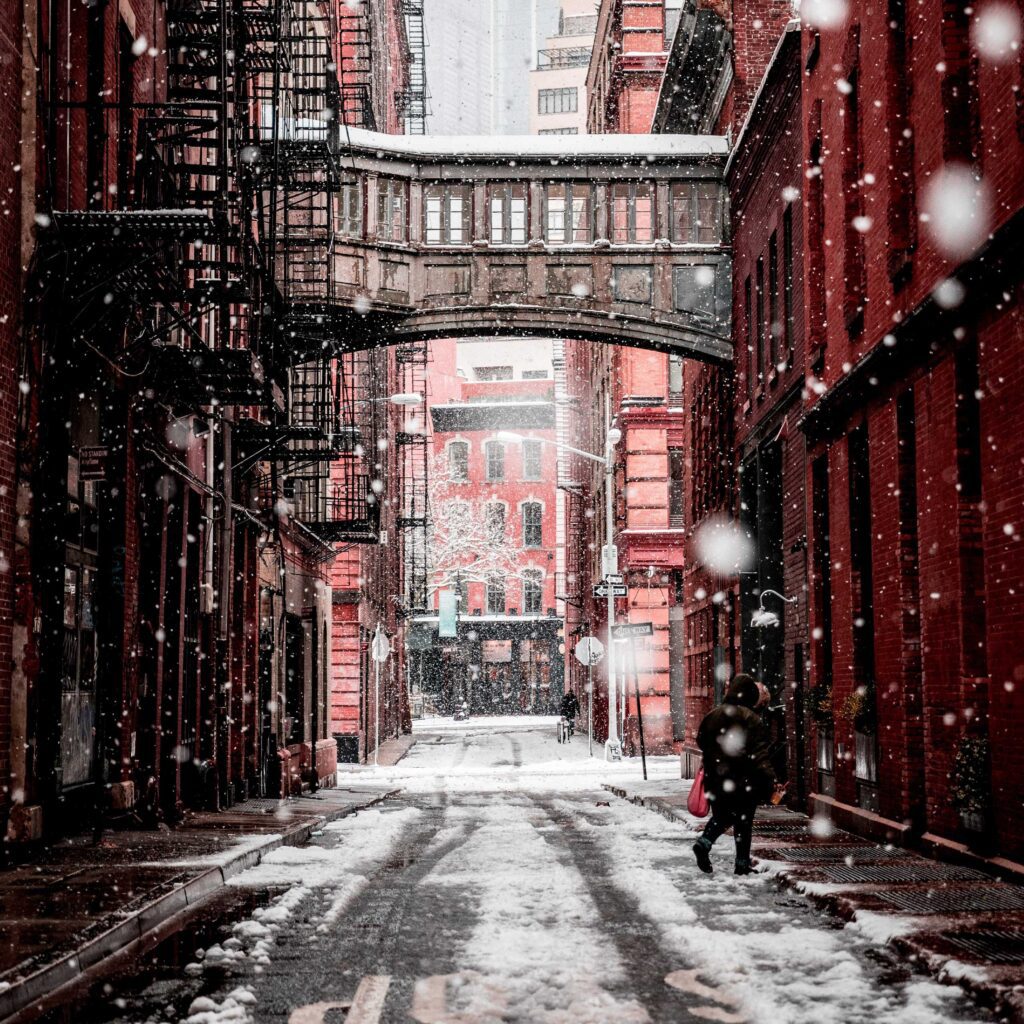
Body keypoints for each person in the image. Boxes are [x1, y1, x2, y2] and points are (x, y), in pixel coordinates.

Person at [693, 673, 777, 876]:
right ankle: (739, 862)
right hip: (743, 779)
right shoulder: (751, 719)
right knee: (743, 820)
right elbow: (760, 755)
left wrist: (716, 756)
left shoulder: (713, 715)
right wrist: (769, 779)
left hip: (715, 776)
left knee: (721, 815)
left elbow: (701, 741)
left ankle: (706, 843)